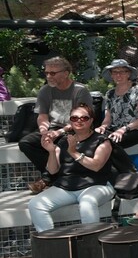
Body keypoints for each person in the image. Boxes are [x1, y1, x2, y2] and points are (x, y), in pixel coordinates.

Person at [27, 104, 114, 232]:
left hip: (97, 185)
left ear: (91, 120)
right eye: (74, 118)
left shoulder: (102, 141)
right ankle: (50, 240)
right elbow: (53, 171)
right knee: (35, 204)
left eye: (84, 118)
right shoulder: (63, 141)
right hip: (66, 187)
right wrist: (51, 151)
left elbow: (96, 166)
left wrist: (74, 152)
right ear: (70, 121)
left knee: (87, 203)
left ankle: (91, 241)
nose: (79, 121)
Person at [20, 56, 94, 194]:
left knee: (62, 143)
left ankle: (46, 179)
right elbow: (42, 116)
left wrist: (59, 132)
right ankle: (56, 176)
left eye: (53, 73)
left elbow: (81, 119)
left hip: (76, 128)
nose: (48, 76)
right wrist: (44, 131)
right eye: (46, 73)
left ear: (66, 73)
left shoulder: (80, 90)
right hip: (53, 128)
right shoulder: (45, 90)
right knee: (26, 143)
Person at [96, 59, 138, 147]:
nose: (118, 75)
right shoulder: (109, 94)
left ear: (128, 74)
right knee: (94, 140)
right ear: (111, 75)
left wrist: (123, 129)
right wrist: (102, 127)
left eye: (122, 71)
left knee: (111, 143)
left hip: (137, 130)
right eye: (115, 72)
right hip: (116, 130)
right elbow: (107, 119)